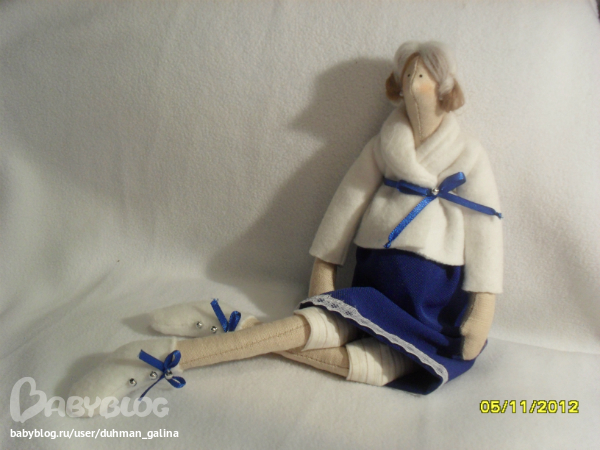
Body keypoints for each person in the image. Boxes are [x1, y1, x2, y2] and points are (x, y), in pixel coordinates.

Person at [69, 41, 502, 413]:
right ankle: (154, 358)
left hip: (431, 307)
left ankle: (236, 325)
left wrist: (482, 308)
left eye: (422, 75)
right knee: (316, 327)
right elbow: (348, 201)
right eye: (407, 74)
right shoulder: (384, 146)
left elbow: (485, 227)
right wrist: (324, 266)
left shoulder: (468, 153)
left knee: (380, 368)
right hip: (375, 281)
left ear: (444, 87)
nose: (412, 83)